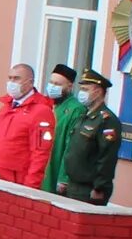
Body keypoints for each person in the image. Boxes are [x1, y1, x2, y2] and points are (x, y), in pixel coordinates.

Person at [53, 70, 124, 206]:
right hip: (73, 184)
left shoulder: (107, 120)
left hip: (88, 188)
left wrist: (99, 187)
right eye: (81, 88)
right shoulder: (85, 116)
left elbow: (107, 157)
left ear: (97, 92)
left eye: (85, 89)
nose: (81, 92)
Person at [0, 62, 57, 188]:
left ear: (30, 82)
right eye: (10, 78)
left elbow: (40, 153)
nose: (11, 82)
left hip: (14, 182)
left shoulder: (41, 111)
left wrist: (30, 186)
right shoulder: (7, 107)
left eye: (16, 78)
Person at [38, 64, 85, 195]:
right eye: (51, 82)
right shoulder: (45, 105)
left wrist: (63, 178)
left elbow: (72, 146)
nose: (52, 87)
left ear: (69, 87)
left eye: (58, 84)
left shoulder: (75, 109)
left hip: (54, 167)